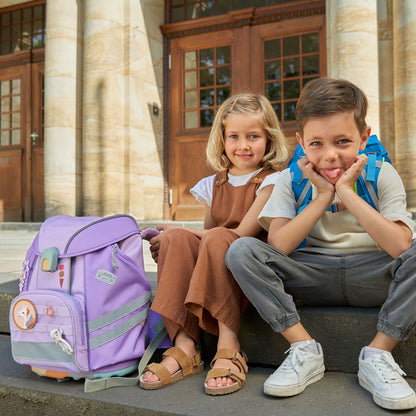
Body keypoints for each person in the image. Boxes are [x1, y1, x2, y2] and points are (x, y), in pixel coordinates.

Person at [225, 78, 416, 410]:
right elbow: (279, 245)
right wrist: (322, 197)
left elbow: (400, 246)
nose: (330, 156)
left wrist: (346, 193)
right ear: (300, 142)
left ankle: (378, 353)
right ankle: (303, 348)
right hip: (310, 275)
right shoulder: (290, 179)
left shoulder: (381, 173)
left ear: (364, 137)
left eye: (343, 141)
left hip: (374, 274)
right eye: (316, 144)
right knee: (242, 251)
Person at [139, 93, 289, 395]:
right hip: (219, 262)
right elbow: (205, 239)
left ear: (269, 139)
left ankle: (229, 343)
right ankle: (185, 345)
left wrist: (181, 229)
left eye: (253, 136)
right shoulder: (213, 184)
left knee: (214, 236)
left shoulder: (273, 180)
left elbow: (240, 234)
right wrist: (172, 240)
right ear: (221, 139)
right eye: (234, 136)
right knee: (179, 239)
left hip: (251, 272)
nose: (243, 145)